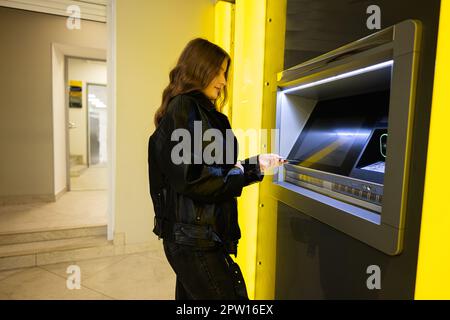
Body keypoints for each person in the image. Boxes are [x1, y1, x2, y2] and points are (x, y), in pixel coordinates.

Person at [148, 38, 284, 300]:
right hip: (196, 240)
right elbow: (194, 179)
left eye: (225, 73)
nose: (223, 81)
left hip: (195, 235)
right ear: (200, 69)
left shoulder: (195, 110)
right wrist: (244, 172)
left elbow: (211, 169)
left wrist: (255, 165)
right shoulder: (184, 108)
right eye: (219, 71)